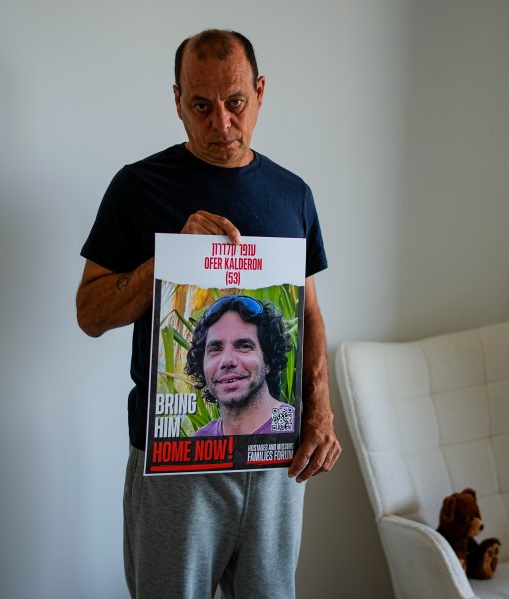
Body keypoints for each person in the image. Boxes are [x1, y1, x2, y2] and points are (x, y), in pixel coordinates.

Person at [75, 29, 340, 599]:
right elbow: (90, 310)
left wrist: (320, 410)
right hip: (176, 463)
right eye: (201, 106)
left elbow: (310, 312)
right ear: (177, 101)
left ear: (261, 93)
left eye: (236, 102)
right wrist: (168, 257)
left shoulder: (293, 194)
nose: (220, 123)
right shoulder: (137, 186)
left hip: (275, 460)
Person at [187, 295, 296, 437]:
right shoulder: (200, 440)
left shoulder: (294, 426)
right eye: (215, 349)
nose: (227, 361)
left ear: (268, 360)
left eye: (244, 346)